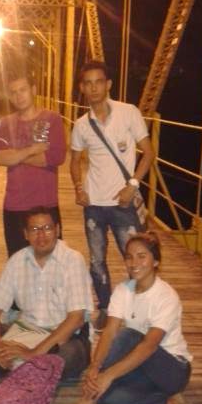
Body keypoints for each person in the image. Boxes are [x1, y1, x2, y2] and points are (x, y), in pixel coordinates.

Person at [47, 231, 192, 404]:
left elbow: (149, 346)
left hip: (172, 370)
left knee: (128, 336)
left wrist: (107, 375)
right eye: (129, 257)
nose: (134, 263)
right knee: (104, 393)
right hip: (141, 365)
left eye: (142, 256)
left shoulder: (166, 296)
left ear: (156, 261)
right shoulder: (123, 290)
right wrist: (95, 367)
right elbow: (108, 333)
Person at [70, 60, 154, 328]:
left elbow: (148, 153)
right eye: (88, 83)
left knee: (135, 258)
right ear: (82, 88)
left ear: (108, 84)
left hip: (123, 202)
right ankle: (106, 308)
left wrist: (133, 185)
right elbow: (74, 160)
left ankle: (138, 308)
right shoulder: (82, 124)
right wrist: (79, 188)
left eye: (99, 82)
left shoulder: (129, 113)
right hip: (94, 204)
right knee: (97, 261)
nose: (94, 88)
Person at [0, 207, 93, 381]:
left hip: (61, 339)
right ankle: (24, 370)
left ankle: (13, 369)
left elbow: (76, 319)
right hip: (24, 332)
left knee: (69, 355)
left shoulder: (72, 260)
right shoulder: (17, 261)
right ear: (26, 234)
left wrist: (33, 353)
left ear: (57, 230)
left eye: (47, 228)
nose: (41, 235)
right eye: (34, 229)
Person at [0, 67, 66, 256]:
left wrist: (14, 156)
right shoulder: (6, 123)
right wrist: (32, 150)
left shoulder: (52, 119)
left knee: (52, 262)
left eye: (23, 90)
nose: (19, 96)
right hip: (15, 205)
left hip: (46, 204)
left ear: (33, 90)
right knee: (17, 262)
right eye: (13, 92)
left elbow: (55, 157)